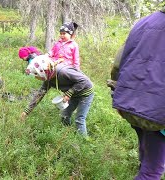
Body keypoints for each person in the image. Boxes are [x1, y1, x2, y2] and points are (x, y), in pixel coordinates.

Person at [108, 8, 165, 180]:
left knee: (145, 141)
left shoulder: (144, 22)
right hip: (158, 113)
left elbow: (119, 62)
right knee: (152, 171)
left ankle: (143, 164)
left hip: (130, 103)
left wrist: (117, 95)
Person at [21, 54, 94, 135]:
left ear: (43, 72)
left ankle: (83, 141)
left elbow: (84, 81)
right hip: (74, 94)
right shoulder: (48, 78)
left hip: (85, 93)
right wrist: (26, 111)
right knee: (64, 116)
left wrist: (69, 93)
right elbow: (40, 95)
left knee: (79, 119)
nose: (37, 78)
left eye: (37, 76)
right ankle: (67, 134)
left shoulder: (63, 72)